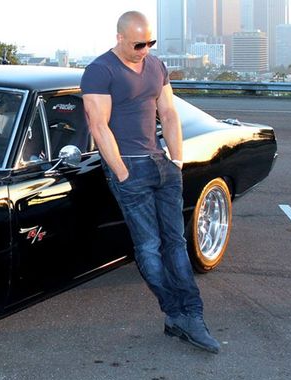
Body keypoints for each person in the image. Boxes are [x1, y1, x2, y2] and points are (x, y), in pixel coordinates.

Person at [81, 11, 220, 354]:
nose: (145, 49)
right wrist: (122, 172)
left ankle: (190, 315)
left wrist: (176, 160)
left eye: (150, 42)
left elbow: (169, 113)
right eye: (138, 44)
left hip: (162, 165)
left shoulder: (156, 66)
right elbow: (99, 126)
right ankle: (178, 314)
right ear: (119, 38)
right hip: (129, 168)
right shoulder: (100, 70)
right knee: (149, 249)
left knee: (175, 243)